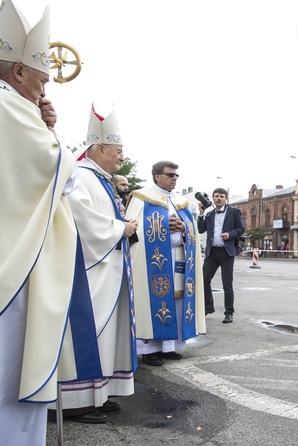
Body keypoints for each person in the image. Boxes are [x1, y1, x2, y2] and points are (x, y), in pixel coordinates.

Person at [0, 1, 90, 442]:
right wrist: (50, 132)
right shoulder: (9, 108)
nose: (46, 84)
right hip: (12, 271)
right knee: (9, 382)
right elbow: (59, 174)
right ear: (17, 72)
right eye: (39, 75)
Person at [47, 106, 139, 424]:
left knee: (104, 336)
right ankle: (76, 402)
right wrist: (120, 229)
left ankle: (97, 394)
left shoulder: (97, 177)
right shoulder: (81, 175)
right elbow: (81, 221)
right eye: (117, 151)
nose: (120, 159)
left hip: (104, 273)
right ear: (99, 148)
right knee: (88, 335)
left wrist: (119, 224)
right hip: (86, 276)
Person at [125, 161, 206, 366]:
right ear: (156, 176)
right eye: (170, 175)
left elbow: (193, 232)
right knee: (151, 304)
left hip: (178, 259)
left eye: (176, 176)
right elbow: (132, 229)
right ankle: (150, 349)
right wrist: (162, 225)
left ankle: (169, 347)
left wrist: (184, 228)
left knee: (176, 303)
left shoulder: (181, 202)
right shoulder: (141, 197)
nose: (174, 179)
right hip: (151, 263)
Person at [197, 187, 245, 323]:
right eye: (216, 196)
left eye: (222, 196)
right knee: (204, 280)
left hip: (226, 252)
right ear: (213, 198)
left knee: (227, 283)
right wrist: (201, 214)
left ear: (226, 199)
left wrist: (230, 235)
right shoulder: (209, 214)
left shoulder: (234, 212)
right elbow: (201, 230)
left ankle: (229, 312)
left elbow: (241, 229)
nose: (219, 198)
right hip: (212, 252)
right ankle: (208, 307)